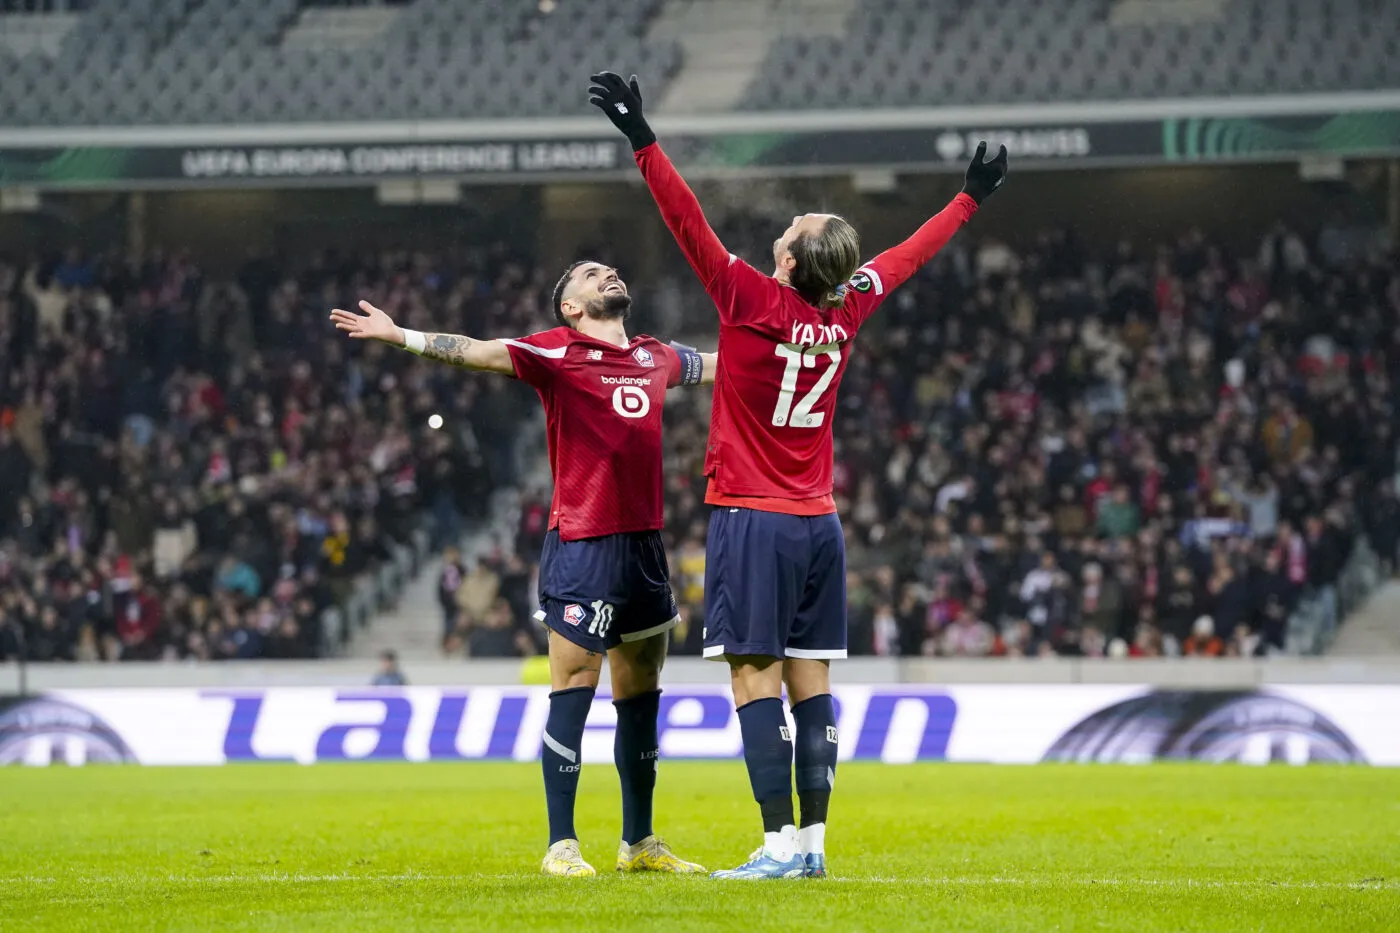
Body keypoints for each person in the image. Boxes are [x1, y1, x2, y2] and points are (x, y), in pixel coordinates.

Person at [589, 71, 1008, 880]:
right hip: (821, 523)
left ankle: (778, 845)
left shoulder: (748, 297)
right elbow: (904, 259)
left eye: (792, 226)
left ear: (786, 260)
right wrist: (968, 202)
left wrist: (640, 135)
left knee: (754, 679)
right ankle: (813, 846)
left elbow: (687, 220)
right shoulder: (845, 308)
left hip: (753, 516)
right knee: (811, 681)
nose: (786, 225)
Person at [330, 261, 716, 878]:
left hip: (644, 546)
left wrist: (796, 351)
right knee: (574, 687)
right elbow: (478, 353)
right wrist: (401, 335)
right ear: (571, 306)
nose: (607, 272)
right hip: (583, 543)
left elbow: (724, 365)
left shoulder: (656, 356)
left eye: (608, 269)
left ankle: (638, 842)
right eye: (591, 274)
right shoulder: (556, 352)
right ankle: (561, 845)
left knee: (641, 696)